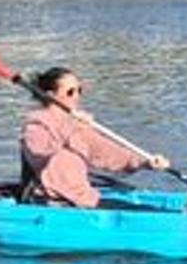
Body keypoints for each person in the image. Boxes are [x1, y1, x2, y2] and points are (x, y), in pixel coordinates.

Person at [19, 67, 169, 208]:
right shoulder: (36, 125)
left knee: (145, 209)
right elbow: (41, 151)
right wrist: (71, 126)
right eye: (70, 92)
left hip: (82, 199)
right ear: (51, 95)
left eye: (80, 90)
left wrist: (145, 162)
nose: (77, 96)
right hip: (51, 201)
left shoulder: (78, 126)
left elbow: (108, 153)